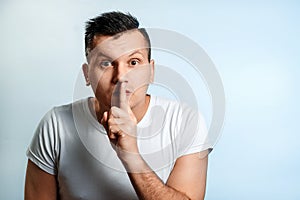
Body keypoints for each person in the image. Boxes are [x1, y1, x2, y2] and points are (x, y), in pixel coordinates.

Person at [25, 11, 212, 200]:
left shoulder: (186, 122)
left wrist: (131, 155)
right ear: (87, 74)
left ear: (151, 71)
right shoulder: (56, 125)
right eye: (105, 63)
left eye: (133, 62)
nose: (121, 76)